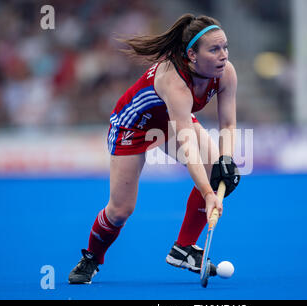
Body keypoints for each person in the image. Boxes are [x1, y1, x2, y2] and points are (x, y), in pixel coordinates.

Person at [68, 13, 240, 284]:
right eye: (214, 49)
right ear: (192, 55)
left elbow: (228, 124)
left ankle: (183, 249)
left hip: (171, 121)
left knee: (217, 170)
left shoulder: (225, 72)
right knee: (120, 210)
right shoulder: (175, 82)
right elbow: (188, 147)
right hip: (132, 127)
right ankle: (91, 257)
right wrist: (208, 193)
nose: (223, 55)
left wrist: (226, 159)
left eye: (225, 47)